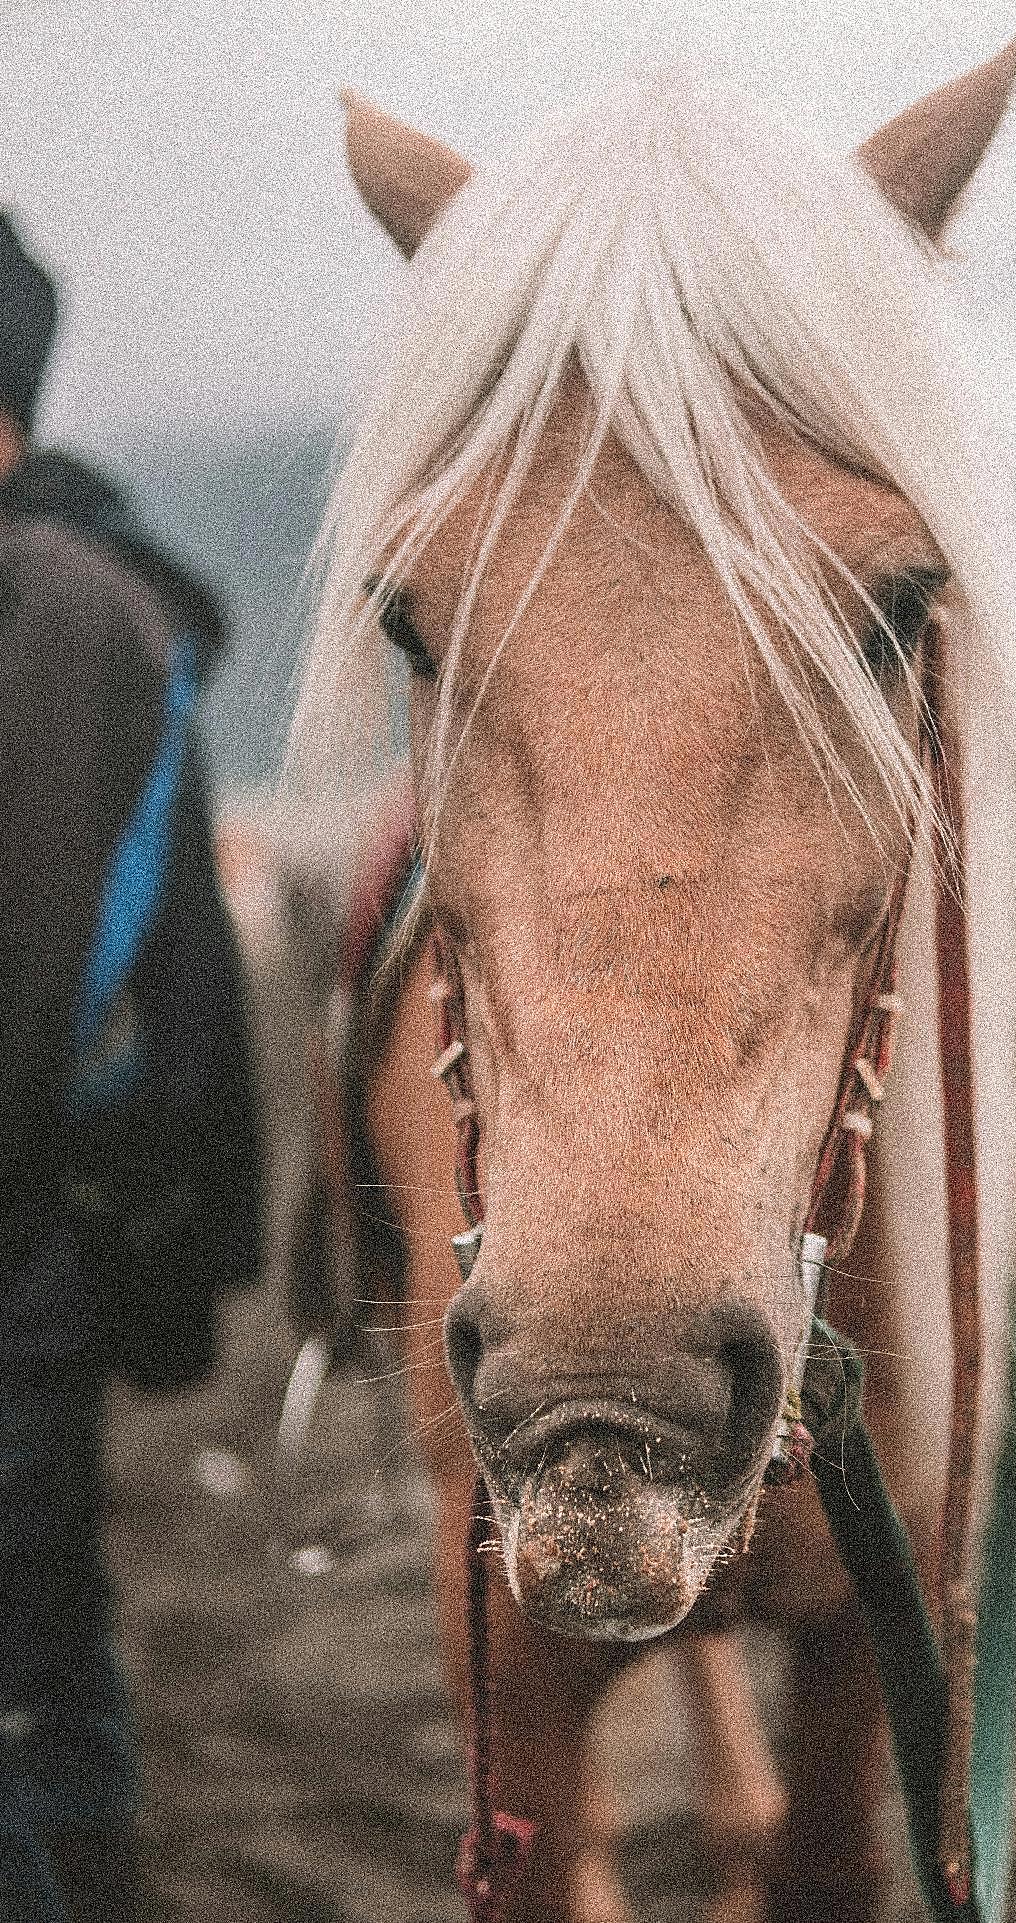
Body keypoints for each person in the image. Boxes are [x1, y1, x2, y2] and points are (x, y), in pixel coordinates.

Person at [0, 212, 262, 1920]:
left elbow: (19, 980)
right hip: (54, 1230)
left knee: (24, 1683)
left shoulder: (45, 604)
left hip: (25, 1235)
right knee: (50, 1642)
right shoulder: (72, 589)